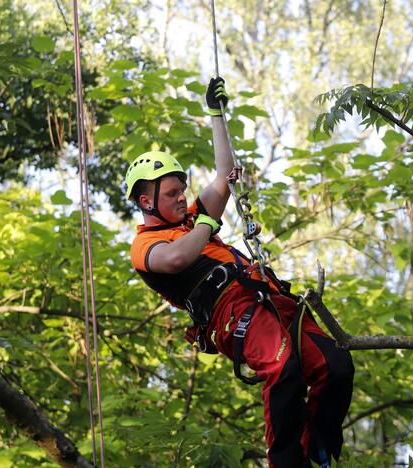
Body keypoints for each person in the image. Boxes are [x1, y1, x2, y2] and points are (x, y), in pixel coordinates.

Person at [126, 77, 354, 467]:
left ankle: (316, 437)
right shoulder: (146, 246)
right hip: (232, 314)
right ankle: (286, 462)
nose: (182, 197)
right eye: (171, 194)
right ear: (146, 201)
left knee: (336, 365)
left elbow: (224, 174)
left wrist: (216, 115)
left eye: (182, 189)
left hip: (269, 297)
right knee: (283, 368)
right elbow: (178, 259)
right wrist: (207, 224)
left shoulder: (193, 219)